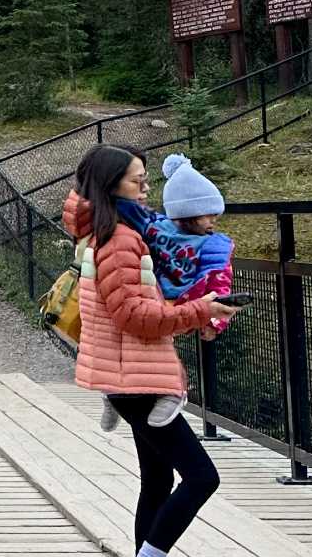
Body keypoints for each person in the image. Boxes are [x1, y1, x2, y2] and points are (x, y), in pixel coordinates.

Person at [63, 145, 237, 557]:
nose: (146, 188)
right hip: (133, 375)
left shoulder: (121, 228)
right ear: (113, 183)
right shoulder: (121, 239)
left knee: (159, 478)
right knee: (202, 477)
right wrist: (205, 310)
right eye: (138, 180)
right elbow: (136, 317)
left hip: (129, 373)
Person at [98, 151, 235, 434]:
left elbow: (219, 283)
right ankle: (116, 392)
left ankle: (171, 391)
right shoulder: (157, 228)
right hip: (153, 297)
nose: (213, 221)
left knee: (163, 348)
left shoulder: (214, 245)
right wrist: (96, 186)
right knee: (133, 343)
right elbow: (126, 208)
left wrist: (215, 321)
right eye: (208, 214)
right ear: (188, 213)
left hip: (185, 302)